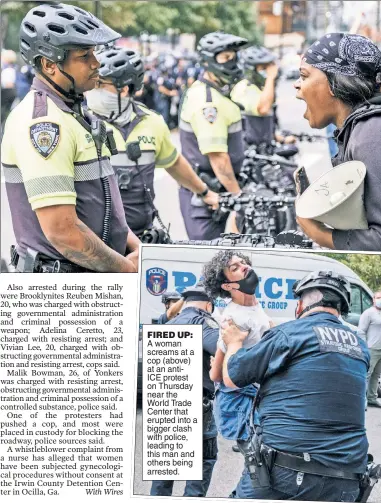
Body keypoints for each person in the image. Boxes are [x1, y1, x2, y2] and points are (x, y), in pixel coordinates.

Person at [1, 3, 140, 273]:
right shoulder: (43, 123)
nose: (96, 63)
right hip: (62, 293)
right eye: (84, 55)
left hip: (93, 277)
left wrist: (134, 247)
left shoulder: (74, 111)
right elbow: (62, 231)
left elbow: (105, 205)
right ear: (49, 65)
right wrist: (126, 269)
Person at [221, 270, 369, 501]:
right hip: (348, 481)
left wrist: (234, 343)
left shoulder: (288, 333)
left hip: (284, 474)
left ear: (300, 306)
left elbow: (232, 376)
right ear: (341, 310)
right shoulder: (360, 346)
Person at [85, 46, 219, 239]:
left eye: (100, 84)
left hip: (141, 234)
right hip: (96, 239)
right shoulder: (81, 122)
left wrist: (204, 192)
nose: (92, 89)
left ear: (123, 89)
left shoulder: (152, 123)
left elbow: (173, 163)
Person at [294, 33, 381, 252]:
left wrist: (317, 232)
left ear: (333, 83)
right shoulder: (364, 128)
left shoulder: (373, 134)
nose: (297, 85)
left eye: (304, 76)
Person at [150, 285, 221, 497]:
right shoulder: (203, 322)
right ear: (209, 305)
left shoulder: (169, 322)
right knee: (202, 462)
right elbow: (221, 348)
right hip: (196, 404)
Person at [179, 32, 248, 240]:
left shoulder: (217, 92)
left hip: (216, 192)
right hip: (206, 196)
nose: (232, 62)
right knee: (207, 255)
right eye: (225, 57)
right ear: (209, 61)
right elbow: (218, 158)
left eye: (234, 56)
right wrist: (239, 197)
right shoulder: (208, 103)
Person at [203, 250, 272, 444]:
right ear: (227, 285)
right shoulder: (233, 318)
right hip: (239, 403)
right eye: (235, 267)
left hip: (253, 395)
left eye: (243, 262)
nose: (244, 266)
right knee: (257, 467)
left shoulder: (254, 305)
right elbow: (217, 375)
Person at [231, 46, 281, 146]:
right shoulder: (245, 88)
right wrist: (270, 78)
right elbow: (263, 109)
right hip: (248, 150)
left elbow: (264, 123)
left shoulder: (259, 88)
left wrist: (277, 137)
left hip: (262, 147)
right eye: (264, 67)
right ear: (251, 70)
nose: (269, 71)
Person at [358, 290, 381, 409]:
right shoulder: (368, 313)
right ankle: (362, 401)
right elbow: (361, 332)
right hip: (371, 350)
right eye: (378, 297)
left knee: (376, 376)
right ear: (373, 299)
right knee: (366, 375)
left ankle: (372, 398)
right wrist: (365, 348)